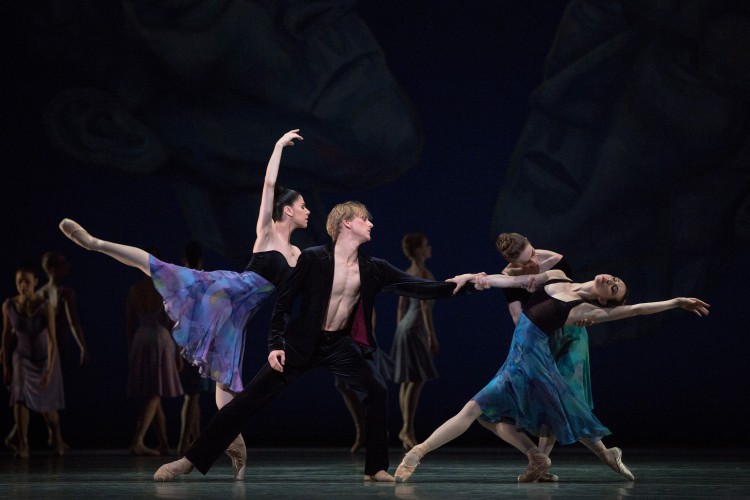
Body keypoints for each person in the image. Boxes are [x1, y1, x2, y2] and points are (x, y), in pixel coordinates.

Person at [153, 201, 474, 482]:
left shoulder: (372, 268)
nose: (371, 223)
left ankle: (375, 467)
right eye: (365, 219)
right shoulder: (312, 259)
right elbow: (284, 303)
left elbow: (417, 287)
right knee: (248, 400)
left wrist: (457, 285)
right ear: (346, 223)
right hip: (300, 343)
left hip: (340, 344)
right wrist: (275, 344)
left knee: (376, 389)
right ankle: (189, 461)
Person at [59, 129, 309, 478]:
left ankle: (234, 443)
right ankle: (95, 242)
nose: (307, 211)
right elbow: (268, 185)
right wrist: (279, 146)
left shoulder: (298, 255)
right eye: (302, 206)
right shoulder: (266, 232)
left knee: (226, 385)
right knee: (162, 269)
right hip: (223, 290)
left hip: (239, 318)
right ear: (287, 210)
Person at [394, 269, 709, 483]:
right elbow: (515, 279)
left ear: (603, 300)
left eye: (613, 288)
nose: (609, 281)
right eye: (614, 278)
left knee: (479, 410)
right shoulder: (560, 277)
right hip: (516, 361)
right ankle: (549, 455)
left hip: (530, 363)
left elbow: (636, 310)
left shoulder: (586, 311)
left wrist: (676, 302)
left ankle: (415, 454)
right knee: (549, 412)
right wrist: (474, 278)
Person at [493, 232, 592, 481]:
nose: (533, 264)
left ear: (531, 243)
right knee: (545, 396)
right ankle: (539, 460)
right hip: (540, 336)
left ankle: (541, 462)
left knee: (564, 394)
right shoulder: (508, 277)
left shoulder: (557, 260)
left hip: (570, 333)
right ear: (511, 263)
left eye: (533, 255)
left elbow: (575, 294)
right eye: (525, 264)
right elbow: (517, 317)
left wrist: (587, 313)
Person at [5, 251, 89, 454]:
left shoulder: (45, 294)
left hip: (50, 350)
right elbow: (72, 322)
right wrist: (82, 346)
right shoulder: (56, 293)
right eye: (62, 264)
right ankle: (28, 438)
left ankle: (52, 437)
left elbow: (64, 325)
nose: (67, 268)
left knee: (46, 399)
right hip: (41, 350)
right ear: (51, 269)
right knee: (28, 395)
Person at [2, 264, 67, 457]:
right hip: (22, 357)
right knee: (19, 398)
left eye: (27, 282)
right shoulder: (9, 305)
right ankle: (23, 444)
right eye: (19, 282)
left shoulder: (44, 306)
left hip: (45, 358)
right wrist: (5, 365)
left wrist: (48, 370)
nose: (23, 285)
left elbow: (52, 340)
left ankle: (57, 437)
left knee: (48, 407)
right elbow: (6, 336)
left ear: (35, 283)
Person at [126, 248, 183, 456]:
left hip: (141, 339)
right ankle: (138, 439)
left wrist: (131, 349)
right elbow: (171, 324)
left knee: (154, 392)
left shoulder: (134, 289)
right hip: (160, 340)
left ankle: (164, 442)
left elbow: (129, 324)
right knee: (156, 393)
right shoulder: (164, 290)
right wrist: (178, 353)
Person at [390, 233, 439, 451]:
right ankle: (407, 429)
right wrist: (431, 336)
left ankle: (406, 430)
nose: (430, 247)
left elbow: (401, 306)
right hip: (416, 328)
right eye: (427, 244)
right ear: (419, 250)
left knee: (407, 381)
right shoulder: (422, 273)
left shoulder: (407, 272)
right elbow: (425, 307)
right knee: (416, 379)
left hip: (404, 328)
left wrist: (400, 328)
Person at [176, 241, 213, 456]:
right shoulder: (200, 281)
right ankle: (183, 444)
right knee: (192, 395)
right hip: (198, 341)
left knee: (194, 393)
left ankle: (194, 441)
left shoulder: (183, 281)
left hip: (190, 339)